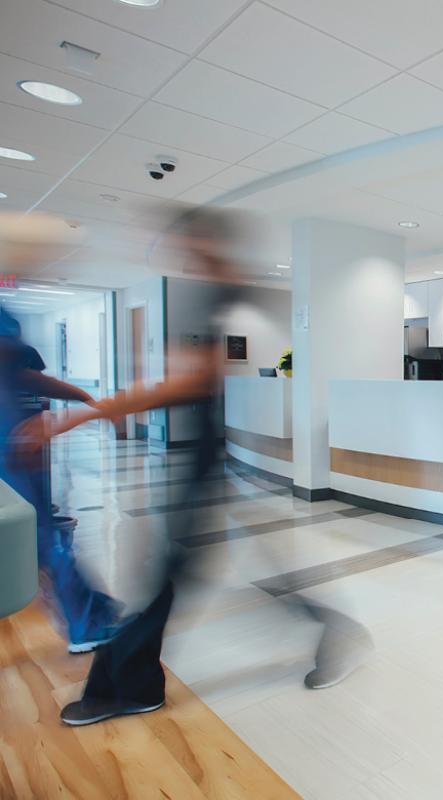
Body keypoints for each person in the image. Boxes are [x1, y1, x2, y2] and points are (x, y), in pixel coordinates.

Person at [14, 207, 370, 726]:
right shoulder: (215, 298)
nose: (180, 254)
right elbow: (183, 381)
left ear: (210, 245)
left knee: (172, 573)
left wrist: (77, 415)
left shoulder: (224, 296)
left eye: (188, 244)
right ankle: (329, 629)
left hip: (203, 460)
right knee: (193, 569)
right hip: (203, 459)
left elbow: (188, 383)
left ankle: (134, 684)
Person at [0, 214, 122, 655]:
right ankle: (87, 623)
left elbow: (21, 374)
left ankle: (92, 610)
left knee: (44, 532)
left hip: (17, 437)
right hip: (12, 441)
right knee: (44, 536)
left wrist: (83, 397)